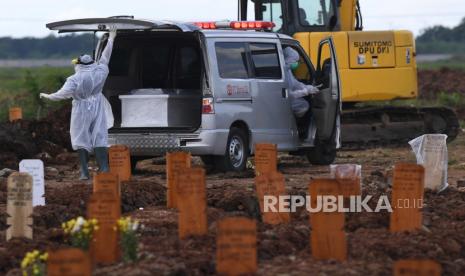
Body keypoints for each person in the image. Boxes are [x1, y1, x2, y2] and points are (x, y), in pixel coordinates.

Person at [40, 26, 118, 180]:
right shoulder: (101, 70)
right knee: (100, 135)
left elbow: (62, 94)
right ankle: (104, 168)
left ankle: (84, 172)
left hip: (81, 108)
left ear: (79, 64)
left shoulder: (74, 79)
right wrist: (111, 38)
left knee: (80, 137)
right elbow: (105, 56)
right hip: (98, 105)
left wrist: (49, 96)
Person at [283, 47, 320, 118]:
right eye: (294, 60)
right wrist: (305, 92)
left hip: (287, 99)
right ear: (288, 59)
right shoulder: (283, 72)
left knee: (304, 104)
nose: (296, 63)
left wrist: (308, 87)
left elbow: (295, 84)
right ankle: (294, 124)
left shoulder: (288, 70)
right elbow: (288, 95)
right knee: (303, 106)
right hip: (284, 100)